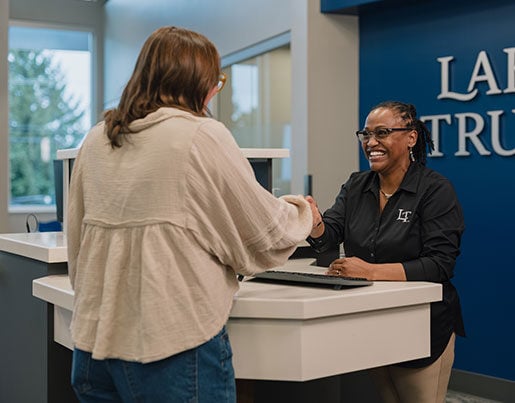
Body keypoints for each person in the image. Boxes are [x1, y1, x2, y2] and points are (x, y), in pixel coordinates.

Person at [66, 26, 315, 403]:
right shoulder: (200, 135)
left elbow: (77, 240)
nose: (216, 89)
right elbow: (261, 233)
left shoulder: (98, 138)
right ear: (199, 83)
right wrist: (303, 214)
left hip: (93, 344)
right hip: (168, 347)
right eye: (216, 80)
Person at [306, 101, 465, 403]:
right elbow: (328, 236)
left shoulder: (435, 190)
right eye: (366, 134)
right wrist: (313, 221)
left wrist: (369, 272)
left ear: (411, 137)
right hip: (371, 318)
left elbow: (440, 265)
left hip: (421, 321)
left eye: (382, 133)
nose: (371, 143)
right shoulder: (356, 185)